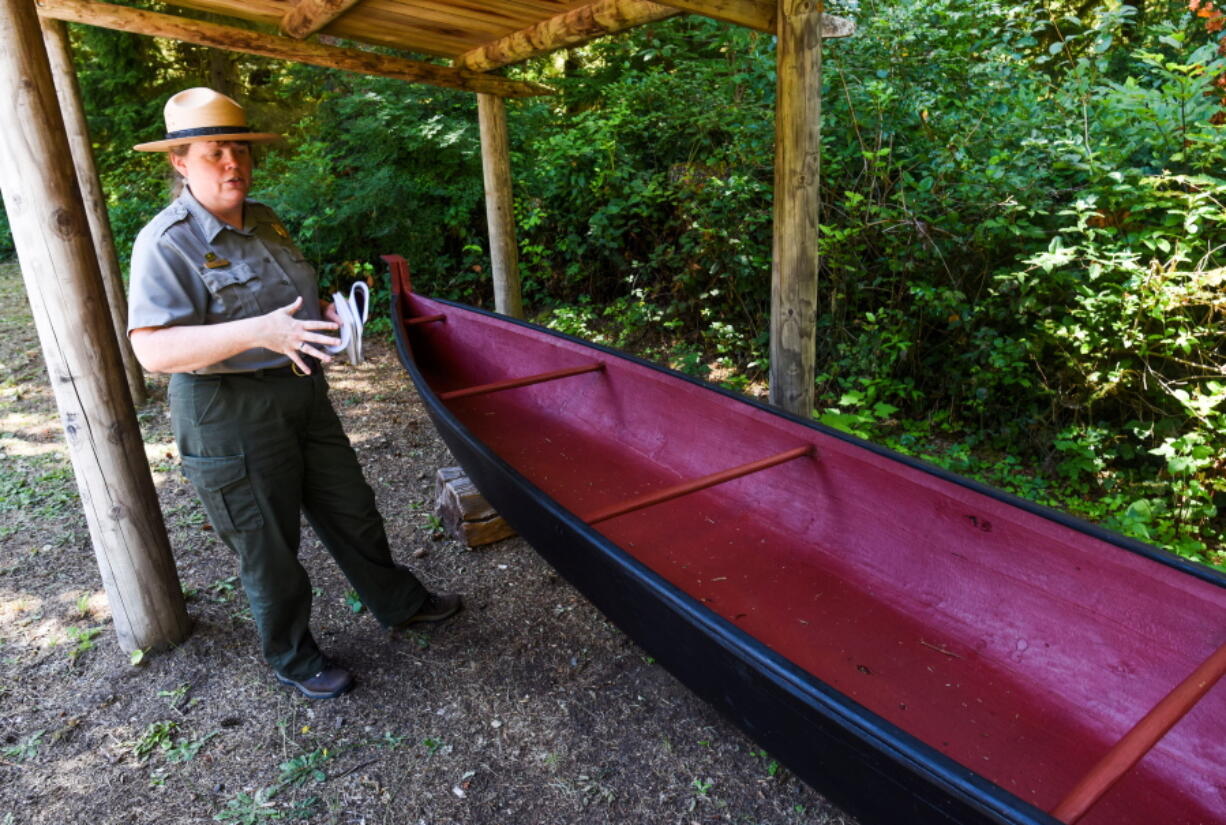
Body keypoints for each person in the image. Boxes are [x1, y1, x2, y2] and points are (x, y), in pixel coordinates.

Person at [127, 87, 460, 700]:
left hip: (302, 391)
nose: (233, 163)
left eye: (240, 149)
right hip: (227, 411)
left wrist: (323, 315)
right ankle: (292, 653)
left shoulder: (266, 217)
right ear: (180, 162)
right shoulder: (165, 242)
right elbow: (153, 351)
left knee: (351, 507)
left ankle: (398, 602)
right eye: (214, 151)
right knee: (267, 544)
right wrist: (262, 332)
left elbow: (286, 304)